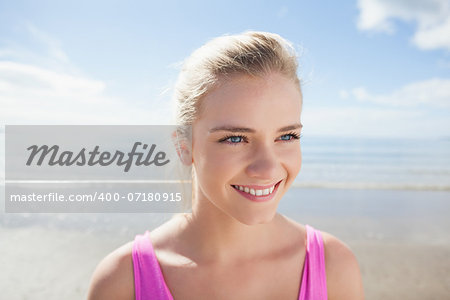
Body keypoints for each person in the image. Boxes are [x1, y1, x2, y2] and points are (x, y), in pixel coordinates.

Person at [87, 31, 364, 300]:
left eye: (287, 136)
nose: (268, 169)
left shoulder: (333, 267)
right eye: (235, 138)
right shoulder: (121, 282)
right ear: (184, 147)